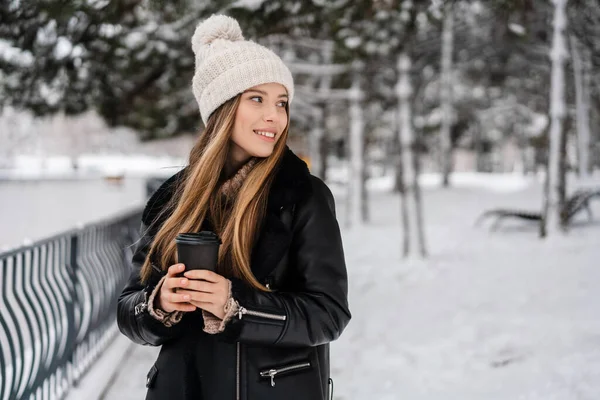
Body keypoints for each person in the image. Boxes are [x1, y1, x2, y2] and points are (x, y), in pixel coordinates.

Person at [117, 14, 351, 400]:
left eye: (282, 102)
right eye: (256, 99)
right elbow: (128, 310)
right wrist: (159, 302)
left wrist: (235, 305)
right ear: (222, 109)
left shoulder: (302, 195)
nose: (274, 116)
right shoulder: (172, 200)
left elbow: (328, 314)